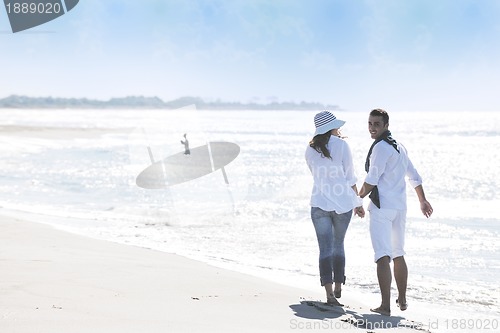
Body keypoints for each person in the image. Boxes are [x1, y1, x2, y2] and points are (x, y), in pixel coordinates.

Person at [358, 108, 433, 316]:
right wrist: (422, 200)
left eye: (377, 124)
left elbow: (372, 180)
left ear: (386, 126)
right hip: (400, 208)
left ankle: (385, 306)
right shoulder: (399, 147)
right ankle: (402, 299)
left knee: (382, 254)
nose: (372, 128)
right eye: (370, 123)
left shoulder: (381, 147)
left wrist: (357, 200)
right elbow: (414, 176)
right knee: (398, 253)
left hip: (382, 208)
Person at [305, 111, 364, 306]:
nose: (340, 129)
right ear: (332, 127)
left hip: (319, 203)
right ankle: (339, 285)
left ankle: (329, 294)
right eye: (337, 126)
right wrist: (358, 203)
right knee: (338, 245)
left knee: (325, 248)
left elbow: (317, 176)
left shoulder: (310, 150)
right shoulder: (342, 145)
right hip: (343, 205)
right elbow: (350, 178)